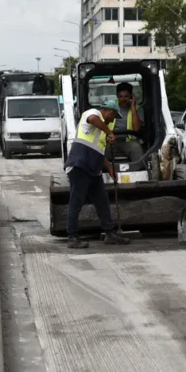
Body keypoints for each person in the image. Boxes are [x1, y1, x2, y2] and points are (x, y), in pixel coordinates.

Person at [63, 100, 132, 249]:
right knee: (76, 201)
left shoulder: (102, 131)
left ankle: (110, 233)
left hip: (93, 170)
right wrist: (109, 132)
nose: (113, 120)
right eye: (114, 116)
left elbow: (100, 153)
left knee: (102, 201)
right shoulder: (93, 114)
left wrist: (110, 169)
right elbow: (93, 120)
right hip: (79, 166)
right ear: (108, 111)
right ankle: (72, 237)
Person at [109, 82, 145, 162]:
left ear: (131, 96)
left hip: (128, 141)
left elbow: (136, 128)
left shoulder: (138, 109)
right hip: (111, 140)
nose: (123, 99)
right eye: (120, 96)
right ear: (117, 96)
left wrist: (133, 107)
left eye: (126, 96)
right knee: (100, 150)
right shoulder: (110, 106)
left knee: (136, 148)